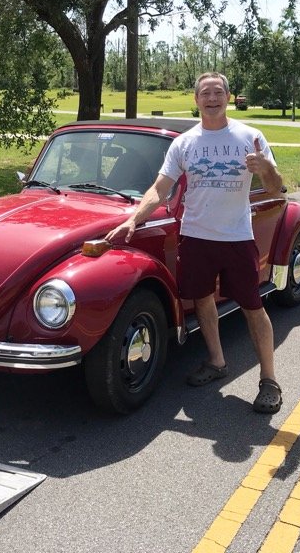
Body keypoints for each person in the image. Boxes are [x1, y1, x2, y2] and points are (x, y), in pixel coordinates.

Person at [105, 72, 284, 413]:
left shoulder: (250, 137)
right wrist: (133, 219)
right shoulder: (184, 144)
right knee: (202, 300)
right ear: (196, 99)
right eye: (205, 93)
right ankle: (217, 361)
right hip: (195, 236)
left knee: (253, 307)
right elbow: (160, 188)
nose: (212, 98)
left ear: (228, 97)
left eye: (218, 92)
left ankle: (269, 381)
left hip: (236, 236)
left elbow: (276, 188)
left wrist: (265, 169)